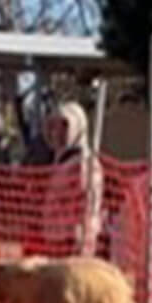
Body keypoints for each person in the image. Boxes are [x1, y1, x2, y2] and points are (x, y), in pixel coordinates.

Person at [36, 101, 103, 257]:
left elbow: (87, 201)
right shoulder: (59, 162)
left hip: (73, 237)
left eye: (64, 127)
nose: (56, 133)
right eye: (53, 127)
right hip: (55, 235)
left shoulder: (83, 162)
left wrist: (82, 234)